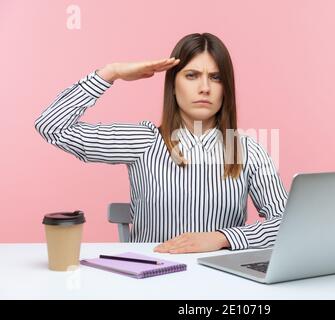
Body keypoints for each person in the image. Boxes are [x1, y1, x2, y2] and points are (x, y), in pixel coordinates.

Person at [35, 32, 288, 254]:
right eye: (192, 75)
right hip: (150, 280)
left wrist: (223, 238)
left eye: (216, 78)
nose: (204, 88)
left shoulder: (246, 149)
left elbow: (285, 223)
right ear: (173, 86)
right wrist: (111, 73)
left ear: (226, 89)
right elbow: (52, 126)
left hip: (220, 280)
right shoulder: (144, 141)